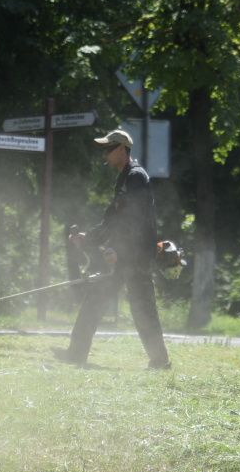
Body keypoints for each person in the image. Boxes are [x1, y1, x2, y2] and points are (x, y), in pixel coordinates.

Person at [54, 128, 171, 370]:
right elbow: (113, 218)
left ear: (121, 149)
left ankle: (160, 362)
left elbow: (135, 221)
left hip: (134, 256)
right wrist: (88, 238)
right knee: (97, 299)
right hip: (123, 256)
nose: (104, 154)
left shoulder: (136, 177)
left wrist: (120, 250)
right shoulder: (126, 177)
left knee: (143, 310)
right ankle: (76, 354)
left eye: (108, 148)